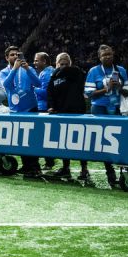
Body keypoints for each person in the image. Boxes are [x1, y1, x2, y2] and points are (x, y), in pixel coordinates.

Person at [85, 44, 128, 186]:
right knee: (104, 141)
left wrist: (119, 87)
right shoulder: (94, 71)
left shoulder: (121, 70)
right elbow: (88, 94)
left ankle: (123, 172)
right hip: (99, 109)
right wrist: (106, 88)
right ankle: (109, 170)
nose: (107, 57)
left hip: (117, 108)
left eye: (109, 54)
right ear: (99, 57)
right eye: (104, 55)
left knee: (120, 140)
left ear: (113, 54)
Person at [43, 52, 90, 182]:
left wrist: (61, 69)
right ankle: (66, 167)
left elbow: (77, 74)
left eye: (66, 63)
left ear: (70, 63)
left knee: (80, 141)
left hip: (77, 111)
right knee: (64, 141)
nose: (63, 66)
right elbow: (50, 93)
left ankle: (84, 168)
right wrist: (51, 106)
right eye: (60, 63)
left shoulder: (76, 72)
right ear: (56, 64)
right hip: (61, 112)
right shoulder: (54, 77)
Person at [0, 46, 41, 176]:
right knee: (21, 139)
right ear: (7, 57)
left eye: (17, 54)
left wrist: (27, 69)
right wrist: (14, 69)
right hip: (16, 110)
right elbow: (5, 85)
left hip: (31, 107)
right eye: (12, 55)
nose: (15, 57)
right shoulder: (3, 72)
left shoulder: (28, 69)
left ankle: (35, 166)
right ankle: (26, 165)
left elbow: (38, 83)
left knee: (32, 139)